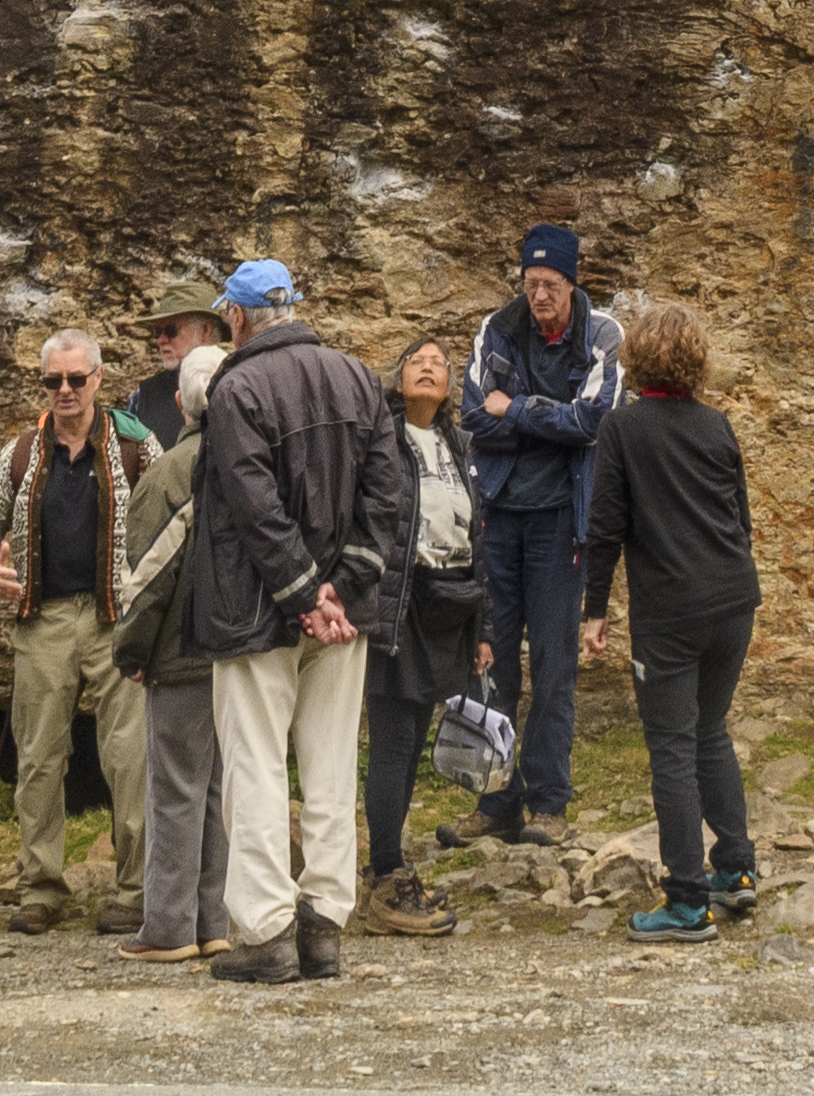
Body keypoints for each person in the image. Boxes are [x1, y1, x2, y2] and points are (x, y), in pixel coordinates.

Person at [194, 257, 410, 984]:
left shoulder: (237, 387)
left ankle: (265, 931)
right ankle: (324, 923)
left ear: (236, 317)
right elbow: (387, 495)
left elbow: (253, 505)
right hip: (342, 618)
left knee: (254, 763)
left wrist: (302, 592)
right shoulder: (357, 377)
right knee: (330, 764)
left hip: (256, 609)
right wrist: (342, 591)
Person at [574, 292, 758, 943]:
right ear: (696, 362)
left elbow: (605, 528)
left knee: (674, 750)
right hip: (736, 601)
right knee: (710, 732)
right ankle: (734, 871)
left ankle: (685, 900)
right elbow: (740, 517)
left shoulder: (623, 428)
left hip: (671, 614)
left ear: (637, 359)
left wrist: (594, 612)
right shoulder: (718, 425)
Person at [0, 327, 149, 935]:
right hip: (42, 622)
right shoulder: (20, 453)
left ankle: (139, 889)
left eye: (75, 379)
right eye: (52, 381)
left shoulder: (137, 446)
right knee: (39, 757)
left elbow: (177, 519)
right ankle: (41, 887)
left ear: (98, 379)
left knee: (130, 756)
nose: (64, 391)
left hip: (116, 617)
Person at [460, 219, 621, 842]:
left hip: (560, 523)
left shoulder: (602, 334)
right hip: (498, 515)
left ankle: (549, 805)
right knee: (493, 658)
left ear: (571, 282)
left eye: (550, 284)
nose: (539, 296)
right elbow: (476, 415)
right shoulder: (498, 328)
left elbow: (594, 421)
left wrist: (518, 407)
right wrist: (545, 418)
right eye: (530, 283)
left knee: (554, 665)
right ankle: (496, 802)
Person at [350, 334, 481, 936]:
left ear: (451, 386)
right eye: (416, 362)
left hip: (444, 608)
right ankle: (386, 876)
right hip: (396, 605)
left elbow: (480, 537)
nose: (428, 369)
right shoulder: (381, 437)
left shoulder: (459, 444)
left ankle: (389, 870)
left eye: (439, 365)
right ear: (398, 378)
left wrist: (483, 627)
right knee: (395, 743)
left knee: (411, 737)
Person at [109, 336, 234, 962]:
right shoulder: (252, 464)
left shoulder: (167, 474)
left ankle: (166, 927)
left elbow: (146, 579)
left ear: (184, 404)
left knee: (175, 789)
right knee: (218, 790)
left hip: (181, 653)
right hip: (240, 653)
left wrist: (130, 652)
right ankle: (215, 921)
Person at [118, 274, 232, 452]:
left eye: (171, 331)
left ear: (205, 330)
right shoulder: (143, 397)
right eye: (158, 331)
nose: (161, 340)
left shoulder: (238, 385)